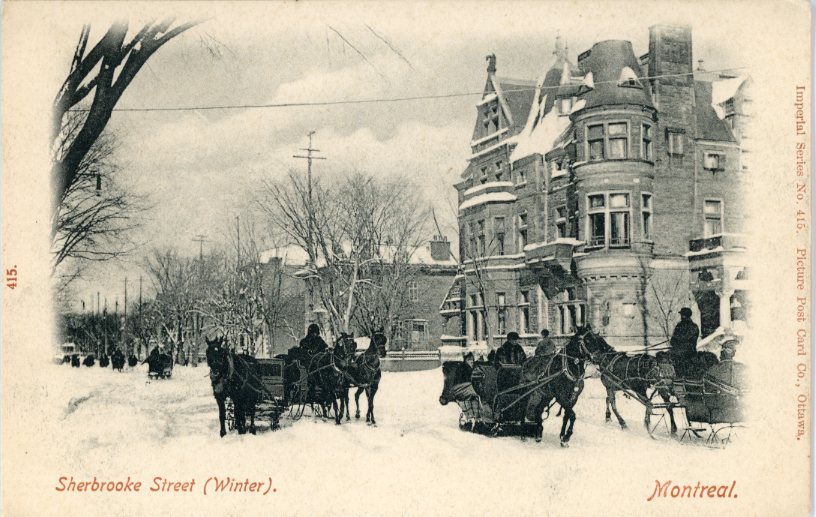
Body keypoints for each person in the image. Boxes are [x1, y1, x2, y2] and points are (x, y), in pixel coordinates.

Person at [670, 307, 699, 375]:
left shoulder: (683, 326)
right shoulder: (693, 326)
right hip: (687, 353)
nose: (681, 316)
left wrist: (676, 344)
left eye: (682, 315)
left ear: (684, 315)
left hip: (685, 354)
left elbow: (676, 340)